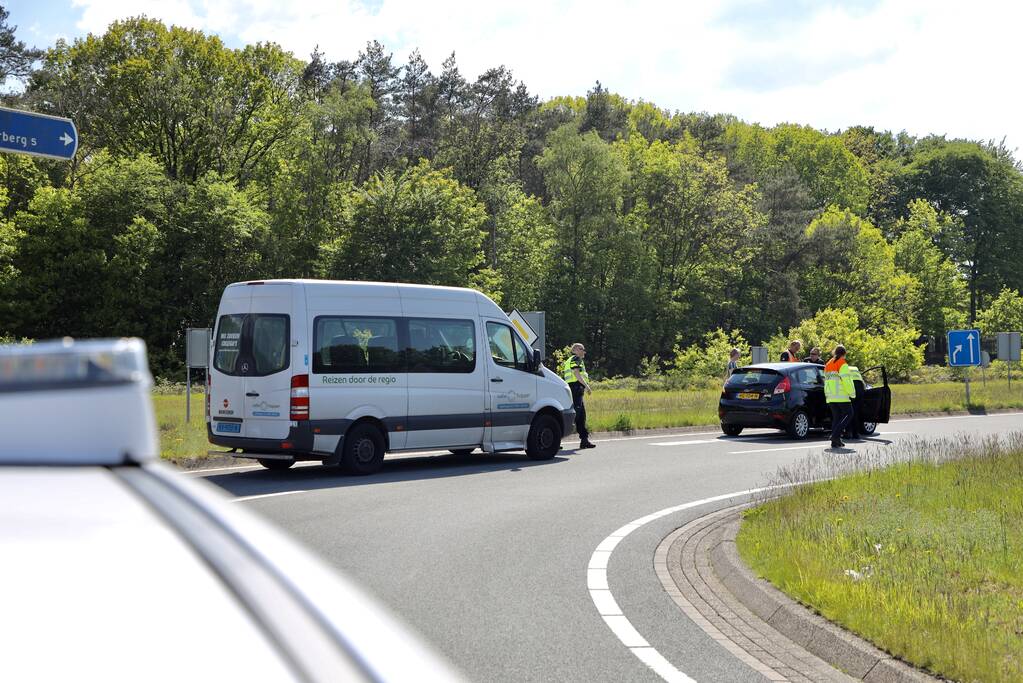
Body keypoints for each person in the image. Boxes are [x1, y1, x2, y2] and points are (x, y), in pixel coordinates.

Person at [562, 343, 595, 449]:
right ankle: (557, 437)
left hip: (575, 389)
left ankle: (584, 440)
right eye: (582, 349)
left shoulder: (571, 360)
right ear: (575, 350)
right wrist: (586, 386)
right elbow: (576, 373)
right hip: (576, 388)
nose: (584, 351)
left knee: (581, 415)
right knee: (575, 415)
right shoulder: (576, 358)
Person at [824, 345, 856, 449]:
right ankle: (834, 436)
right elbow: (846, 381)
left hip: (830, 396)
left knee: (837, 418)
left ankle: (835, 442)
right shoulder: (842, 363)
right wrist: (852, 393)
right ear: (844, 354)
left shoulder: (828, 364)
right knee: (849, 414)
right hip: (841, 395)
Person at [845, 365, 865, 439]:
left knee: (849, 412)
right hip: (860, 388)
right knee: (856, 412)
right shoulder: (855, 368)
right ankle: (856, 433)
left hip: (852, 387)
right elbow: (862, 382)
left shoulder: (844, 369)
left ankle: (848, 433)